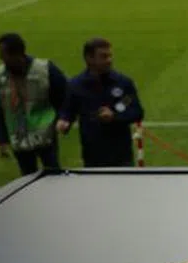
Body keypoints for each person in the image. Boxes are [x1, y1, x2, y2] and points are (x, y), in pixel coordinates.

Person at [57, 38, 145, 167]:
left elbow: (137, 112)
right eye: (104, 56)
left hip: (121, 156)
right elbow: (68, 110)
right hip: (92, 156)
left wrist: (114, 117)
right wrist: (64, 121)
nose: (109, 60)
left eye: (110, 55)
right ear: (89, 58)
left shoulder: (123, 83)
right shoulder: (75, 86)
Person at [0, 33, 67, 175]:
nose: (0, 57)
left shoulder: (45, 69)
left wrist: (63, 118)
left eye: (3, 54)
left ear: (18, 53)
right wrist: (1, 139)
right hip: (18, 138)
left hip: (45, 135)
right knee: (27, 178)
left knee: (54, 175)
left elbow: (65, 95)